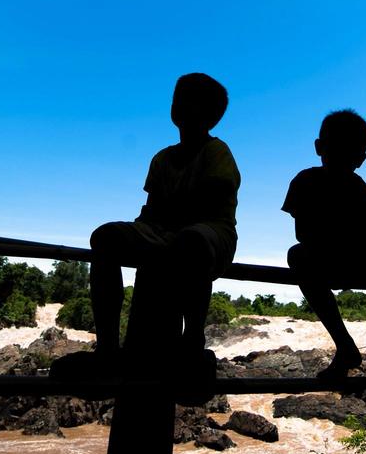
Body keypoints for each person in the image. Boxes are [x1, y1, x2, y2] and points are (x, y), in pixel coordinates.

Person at [62, 73, 240, 380]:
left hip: (212, 233)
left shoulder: (217, 152)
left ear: (212, 115)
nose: (179, 105)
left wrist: (160, 225)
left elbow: (209, 203)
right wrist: (144, 231)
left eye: (189, 100)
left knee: (191, 241)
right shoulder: (162, 158)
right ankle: (107, 348)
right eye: (177, 98)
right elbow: (152, 209)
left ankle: (193, 341)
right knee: (104, 237)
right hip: (162, 228)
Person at [282, 109, 366, 401]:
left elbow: (303, 234)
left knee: (297, 255)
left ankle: (358, 349)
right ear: (362, 158)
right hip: (363, 258)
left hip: (344, 259)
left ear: (318, 147)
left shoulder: (307, 181)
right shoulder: (355, 187)